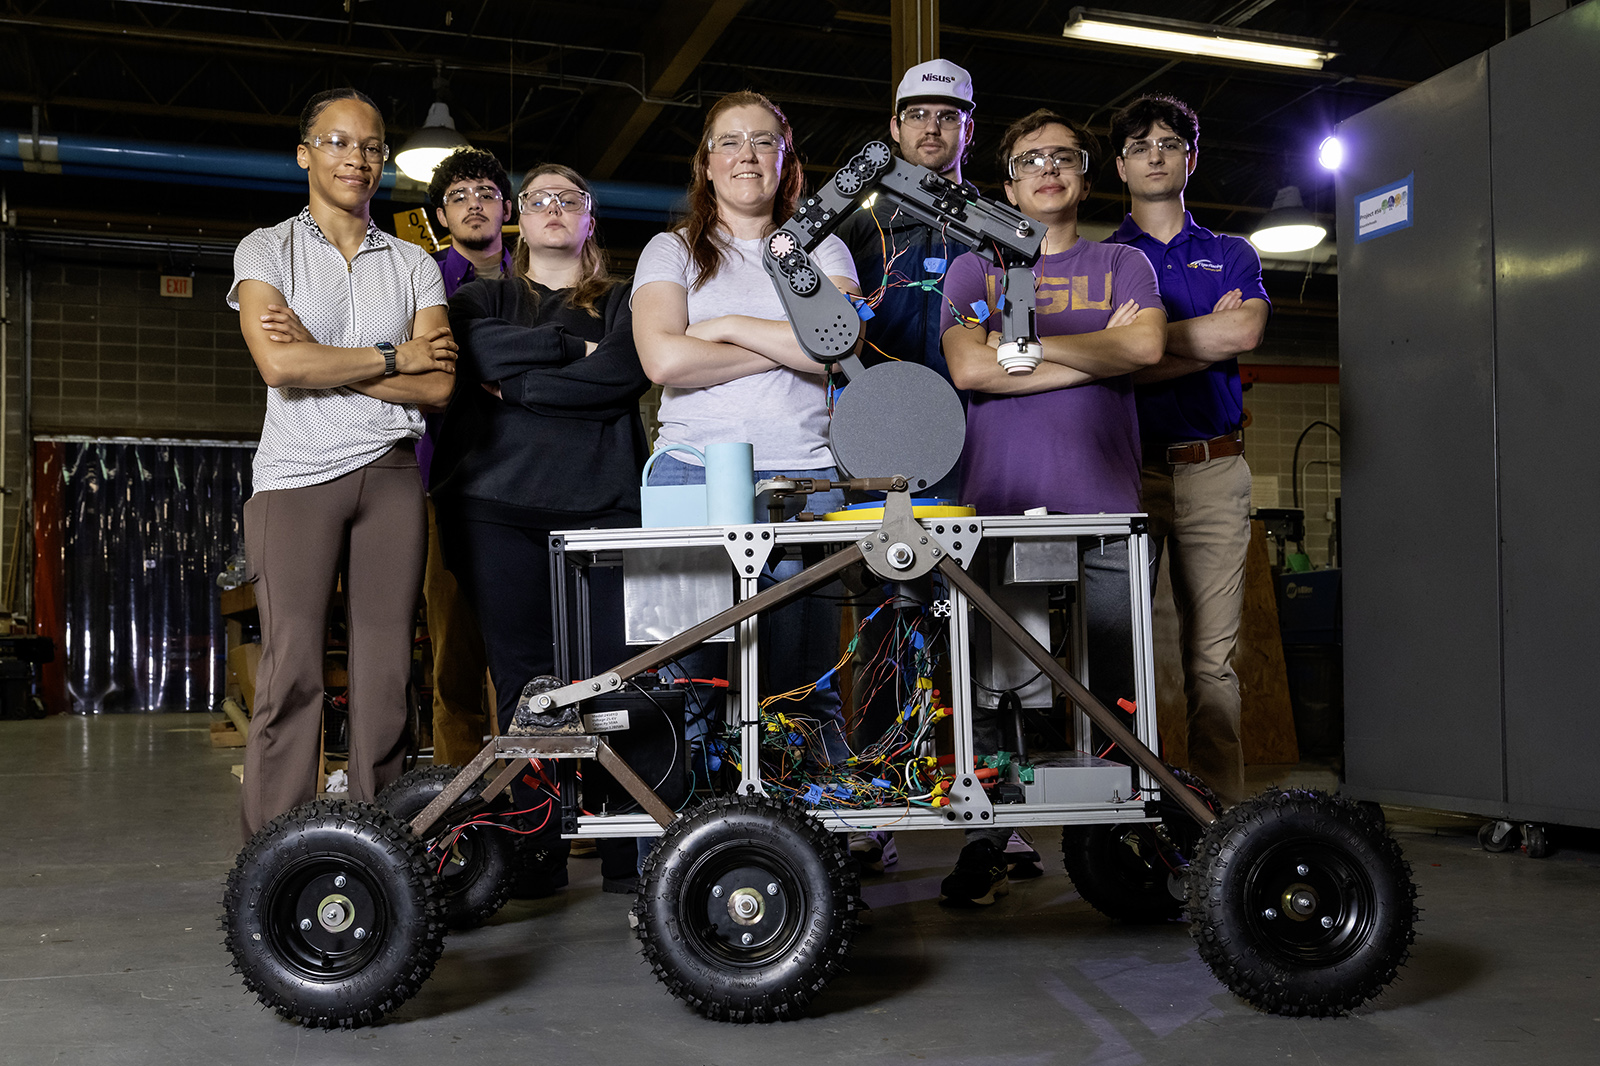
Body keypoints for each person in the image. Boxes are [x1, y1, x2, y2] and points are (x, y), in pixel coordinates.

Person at [938, 108, 1165, 904]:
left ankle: (1119, 837)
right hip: (1001, 505)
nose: (1048, 169)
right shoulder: (975, 271)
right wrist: (1098, 353)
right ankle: (989, 837)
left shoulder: (1123, 263)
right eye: (1030, 159)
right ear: (1007, 185)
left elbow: (1146, 347)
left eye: (1063, 157)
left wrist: (1023, 350)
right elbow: (969, 370)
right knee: (999, 683)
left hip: (1105, 506)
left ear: (1085, 177)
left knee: (1118, 684)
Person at [229, 87, 456, 840]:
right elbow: (279, 367)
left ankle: (384, 844)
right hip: (296, 476)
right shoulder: (267, 249)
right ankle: (275, 850)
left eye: (370, 146)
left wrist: (324, 355)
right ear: (304, 154)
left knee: (387, 674)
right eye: (337, 142)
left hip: (391, 474)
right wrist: (394, 356)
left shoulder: (415, 262)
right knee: (291, 668)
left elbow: (439, 385)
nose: (355, 158)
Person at [430, 163, 651, 894]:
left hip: (604, 508)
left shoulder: (625, 300)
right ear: (519, 218)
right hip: (496, 511)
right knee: (525, 687)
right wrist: (567, 352)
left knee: (616, 682)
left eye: (569, 198)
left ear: (590, 217)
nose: (554, 208)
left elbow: (623, 375)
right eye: (538, 199)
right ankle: (535, 851)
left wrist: (518, 387)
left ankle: (629, 855)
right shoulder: (478, 297)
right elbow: (475, 353)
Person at [631, 90, 861, 776]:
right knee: (689, 677)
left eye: (764, 141)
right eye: (729, 142)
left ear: (786, 159)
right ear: (706, 163)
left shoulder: (822, 246)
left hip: (802, 476)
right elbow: (662, 360)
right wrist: (792, 344)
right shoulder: (672, 249)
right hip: (690, 474)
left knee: (803, 683)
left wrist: (725, 327)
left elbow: (842, 345)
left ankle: (813, 827)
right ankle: (686, 832)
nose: (747, 155)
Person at [833, 58, 979, 875]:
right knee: (887, 626)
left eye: (947, 116)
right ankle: (875, 805)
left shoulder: (993, 225)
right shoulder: (860, 225)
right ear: (893, 128)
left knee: (977, 628)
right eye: (917, 114)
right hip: (883, 452)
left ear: (967, 129)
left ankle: (989, 813)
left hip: (974, 451)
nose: (931, 128)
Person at [1105, 95, 1269, 807]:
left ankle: (1218, 817)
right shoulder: (1104, 261)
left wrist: (1140, 343)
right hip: (1126, 472)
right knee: (1119, 655)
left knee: (1210, 662)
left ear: (1190, 158)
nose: (1155, 154)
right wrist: (1205, 339)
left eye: (1169, 143)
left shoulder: (1232, 252)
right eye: (1139, 145)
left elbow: (1246, 334)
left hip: (1213, 469)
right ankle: (1120, 808)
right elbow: (1104, 367)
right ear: (1120, 166)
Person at [417, 146, 514, 768]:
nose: (473, 204)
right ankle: (456, 800)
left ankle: (532, 794)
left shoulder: (537, 275)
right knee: (454, 654)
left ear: (506, 208)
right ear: (441, 216)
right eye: (458, 196)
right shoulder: (418, 279)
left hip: (531, 481)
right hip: (446, 483)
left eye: (485, 193)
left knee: (529, 651)